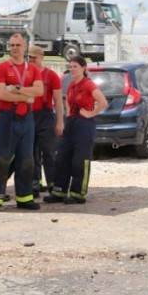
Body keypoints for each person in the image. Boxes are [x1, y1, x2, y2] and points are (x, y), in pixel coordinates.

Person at [0, 33, 44, 212]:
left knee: (26, 159)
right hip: (8, 118)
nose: (14, 48)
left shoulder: (33, 69)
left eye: (18, 45)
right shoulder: (2, 67)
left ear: (25, 47)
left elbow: (40, 91)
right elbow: (0, 94)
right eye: (11, 45)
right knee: (2, 158)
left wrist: (18, 89)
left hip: (27, 119)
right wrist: (27, 96)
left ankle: (24, 197)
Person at [50, 55, 108, 204]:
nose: (72, 69)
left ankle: (78, 193)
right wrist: (68, 118)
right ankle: (59, 191)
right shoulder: (71, 85)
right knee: (62, 156)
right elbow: (68, 104)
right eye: (70, 67)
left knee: (80, 160)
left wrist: (90, 113)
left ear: (83, 68)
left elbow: (103, 102)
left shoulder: (88, 84)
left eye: (75, 66)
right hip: (72, 123)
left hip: (85, 125)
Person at [27, 45, 65, 203]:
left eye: (33, 58)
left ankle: (53, 184)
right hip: (29, 115)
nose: (31, 61)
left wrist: (60, 121)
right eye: (29, 58)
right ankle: (34, 183)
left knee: (49, 152)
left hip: (45, 115)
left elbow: (58, 101)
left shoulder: (51, 76)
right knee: (31, 152)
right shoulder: (25, 75)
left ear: (41, 58)